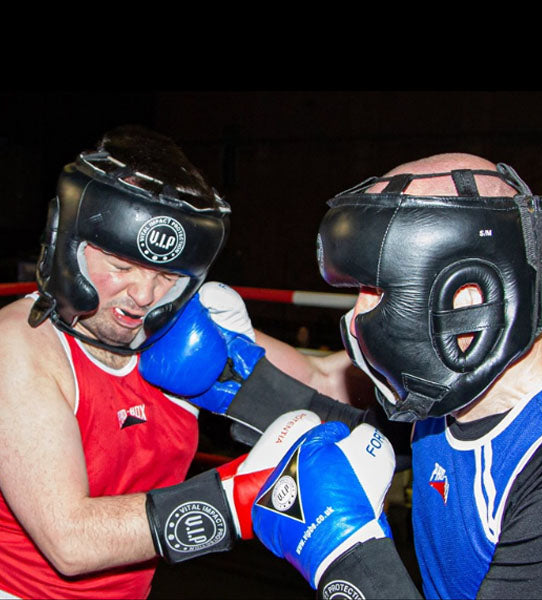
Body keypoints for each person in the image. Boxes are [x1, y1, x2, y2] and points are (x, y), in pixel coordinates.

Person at [0, 125, 365, 599]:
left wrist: (399, 340)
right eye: (121, 265)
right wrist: (245, 496)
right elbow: (69, 540)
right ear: (68, 242)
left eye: (167, 274)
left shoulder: (182, 328)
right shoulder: (21, 345)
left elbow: (324, 381)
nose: (143, 296)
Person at [246, 153, 542, 599]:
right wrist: (220, 359)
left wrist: (348, 559)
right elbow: (322, 396)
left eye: (376, 291)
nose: (356, 318)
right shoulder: (441, 401)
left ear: (470, 300)